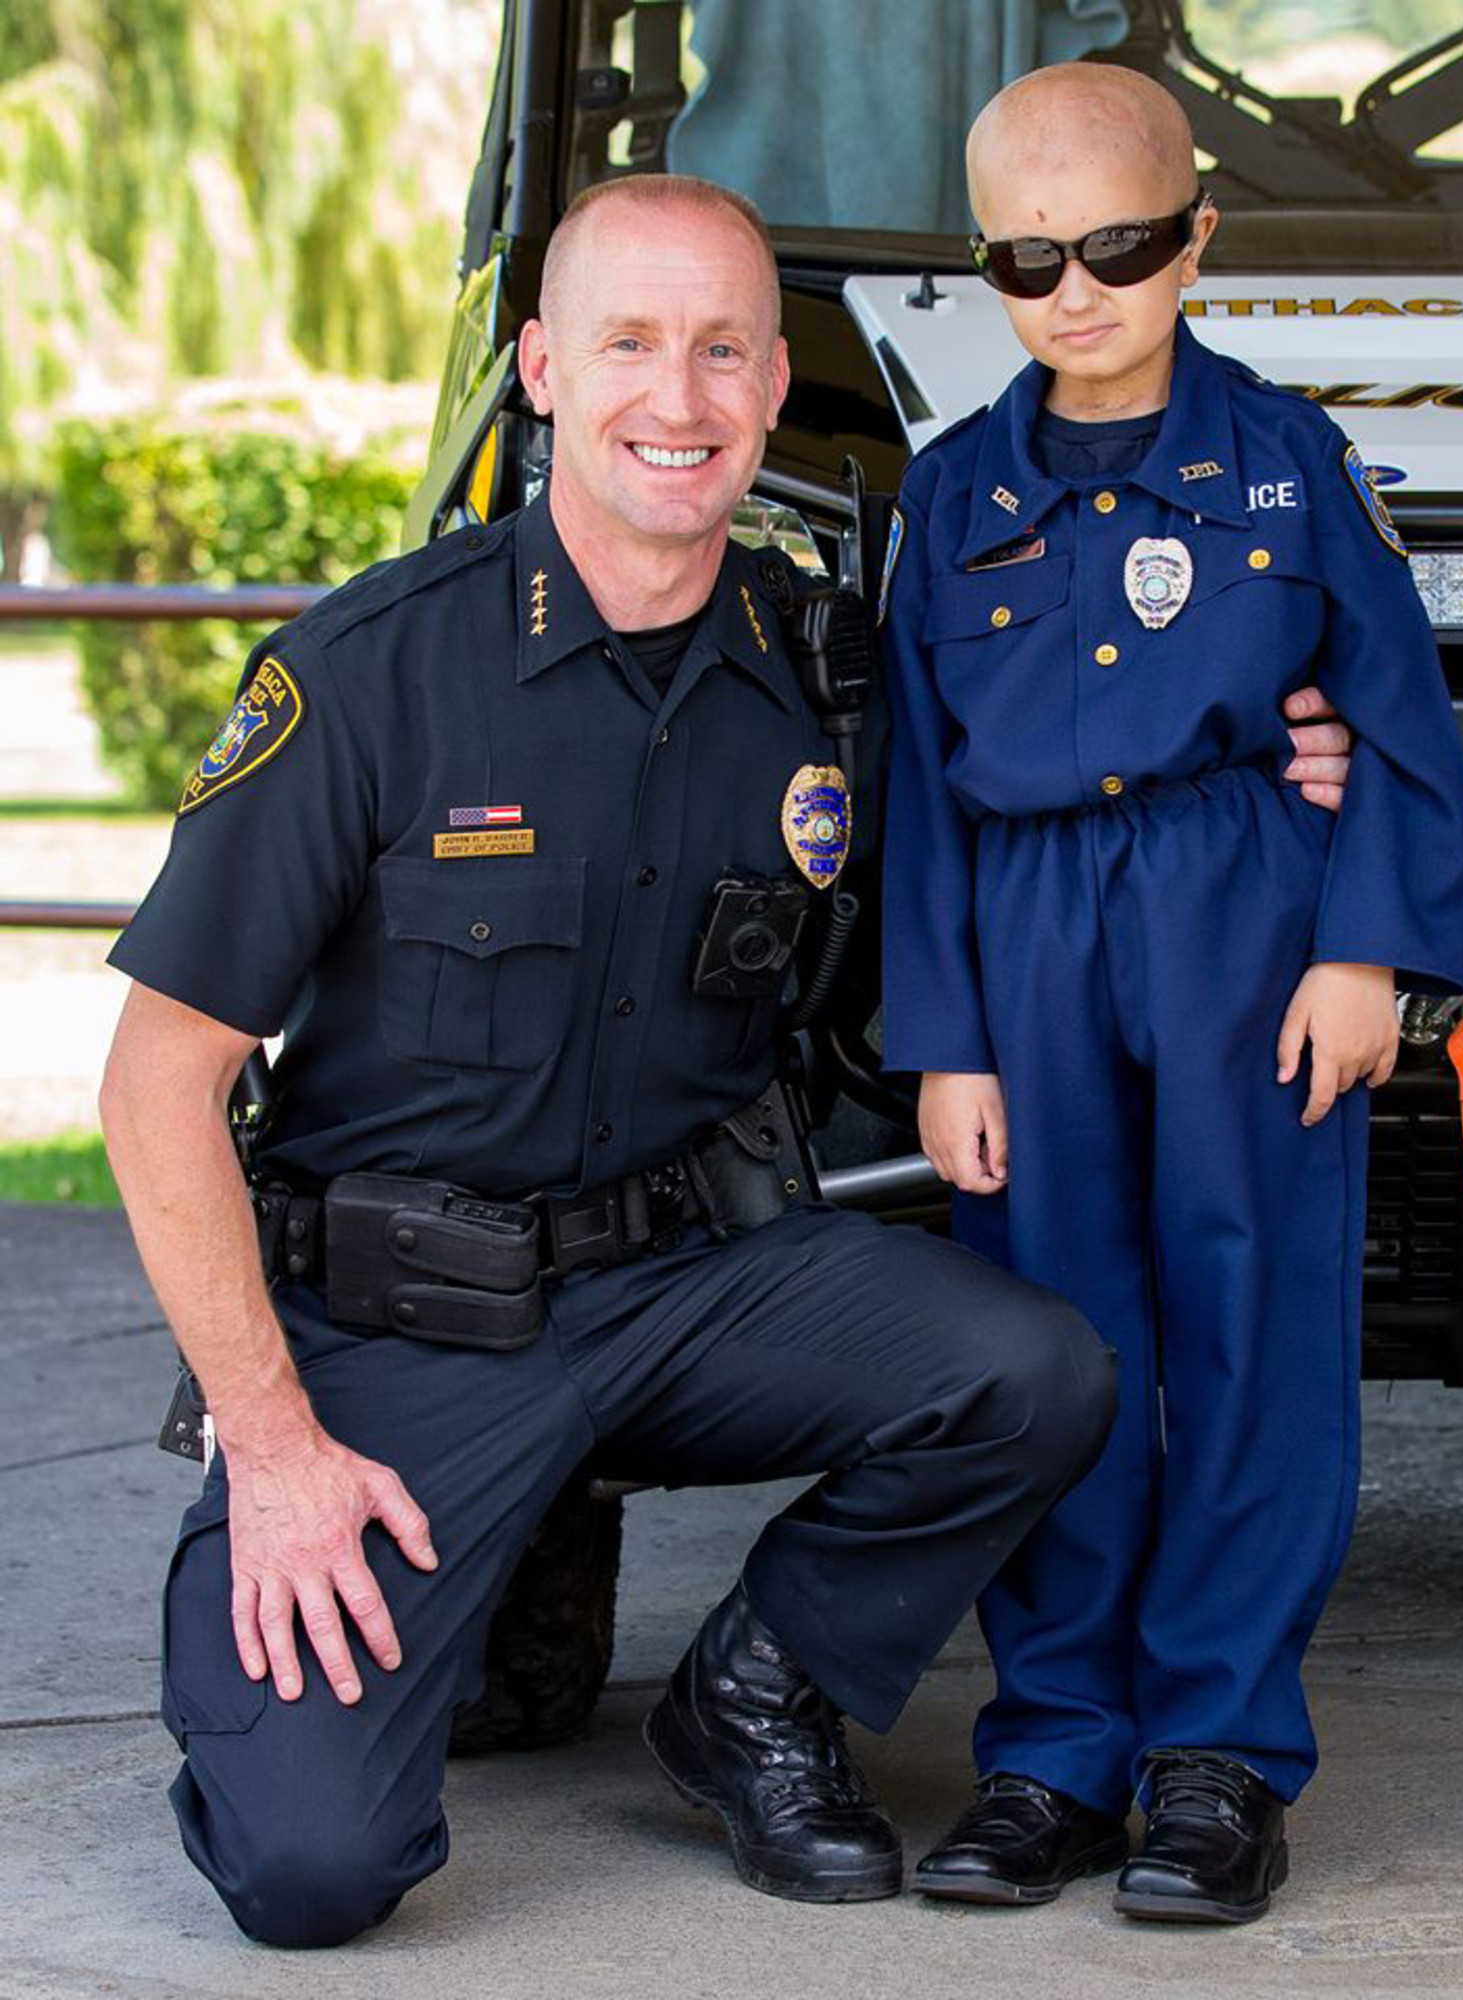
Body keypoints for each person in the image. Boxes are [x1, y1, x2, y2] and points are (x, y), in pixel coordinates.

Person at [99, 174, 1125, 1948]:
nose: (680, 396)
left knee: (1034, 1372)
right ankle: (478, 1564)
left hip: (697, 1288)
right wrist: (272, 1444)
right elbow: (152, 1085)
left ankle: (755, 1690)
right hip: (409, 1332)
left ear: (773, 382)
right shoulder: (373, 674)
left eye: (723, 350)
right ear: (541, 370)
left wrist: (1293, 759)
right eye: (629, 343)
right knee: (311, 1872)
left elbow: (1042, 823)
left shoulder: (825, 678)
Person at [879, 65, 1463, 1924]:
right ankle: (1056, 1750)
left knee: (1251, 1334)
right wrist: (945, 1042)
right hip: (1027, 940)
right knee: (1058, 1351)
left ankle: (1217, 1752)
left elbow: (1398, 723)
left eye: (1118, 246)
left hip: (1246, 926)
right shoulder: (950, 492)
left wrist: (1367, 953)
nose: (1075, 290)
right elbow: (915, 789)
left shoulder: (1292, 462)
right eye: (1026, 256)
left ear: (1196, 238)